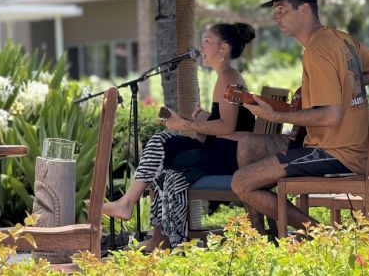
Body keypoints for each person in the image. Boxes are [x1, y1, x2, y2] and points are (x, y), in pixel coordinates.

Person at [231, 0, 369, 233]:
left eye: (282, 9)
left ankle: (322, 237)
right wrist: (344, 85)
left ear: (305, 10)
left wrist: (275, 115)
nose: (275, 16)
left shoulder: (318, 49)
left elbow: (331, 116)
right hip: (346, 147)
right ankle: (262, 235)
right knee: (249, 146)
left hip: (337, 153)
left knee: (241, 183)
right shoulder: (341, 39)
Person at [102, 22, 256, 251]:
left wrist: (184, 123)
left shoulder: (228, 77)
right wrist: (203, 119)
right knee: (163, 143)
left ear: (223, 48)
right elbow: (227, 124)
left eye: (207, 41)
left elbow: (227, 126)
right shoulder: (225, 76)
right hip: (220, 150)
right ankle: (157, 235)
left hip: (229, 157)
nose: (201, 46)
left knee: (166, 161)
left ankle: (166, 238)